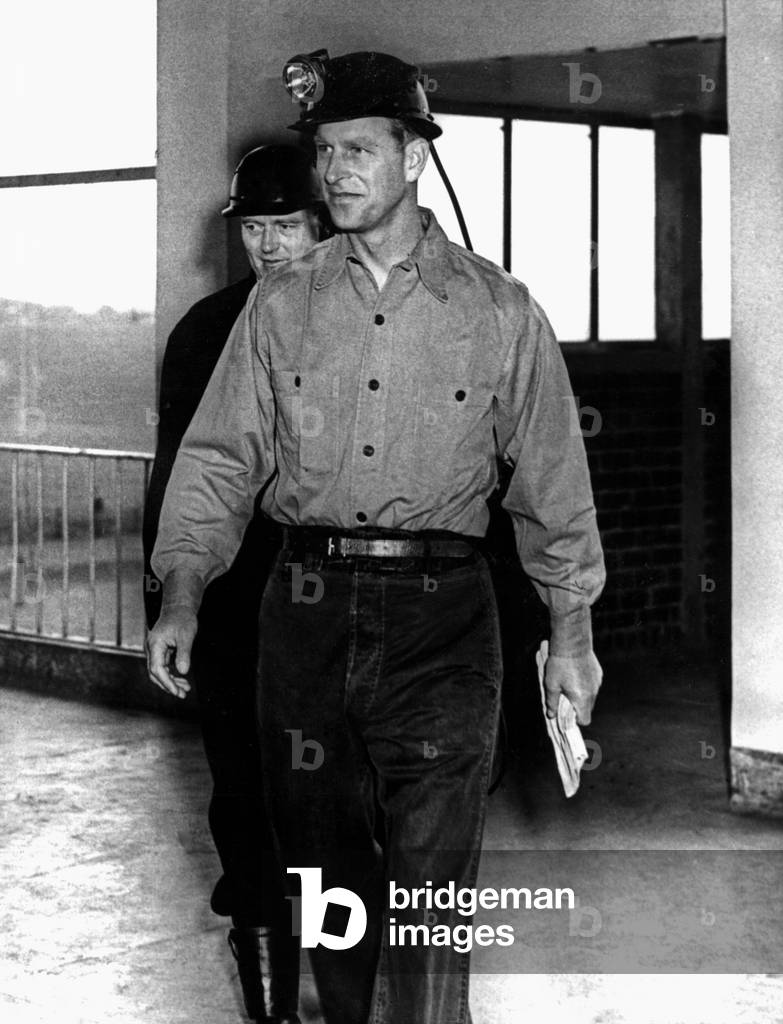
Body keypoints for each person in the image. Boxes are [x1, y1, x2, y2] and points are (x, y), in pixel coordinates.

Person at [147, 50, 605, 1024]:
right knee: (328, 883)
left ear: (415, 159)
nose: (338, 170)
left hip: (445, 621)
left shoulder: (497, 312)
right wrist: (184, 588)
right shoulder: (280, 305)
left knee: (433, 882)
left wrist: (570, 634)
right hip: (304, 619)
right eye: (327, 152)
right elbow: (222, 459)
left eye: (360, 148)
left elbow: (553, 489)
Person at [142, 144, 326, 1024]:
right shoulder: (205, 331)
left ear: (324, 224)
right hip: (232, 609)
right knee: (245, 800)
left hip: (343, 612)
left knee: (339, 803)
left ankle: (349, 970)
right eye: (254, 227)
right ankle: (268, 999)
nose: (268, 244)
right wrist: (171, 603)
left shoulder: (369, 329)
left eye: (284, 224)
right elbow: (174, 476)